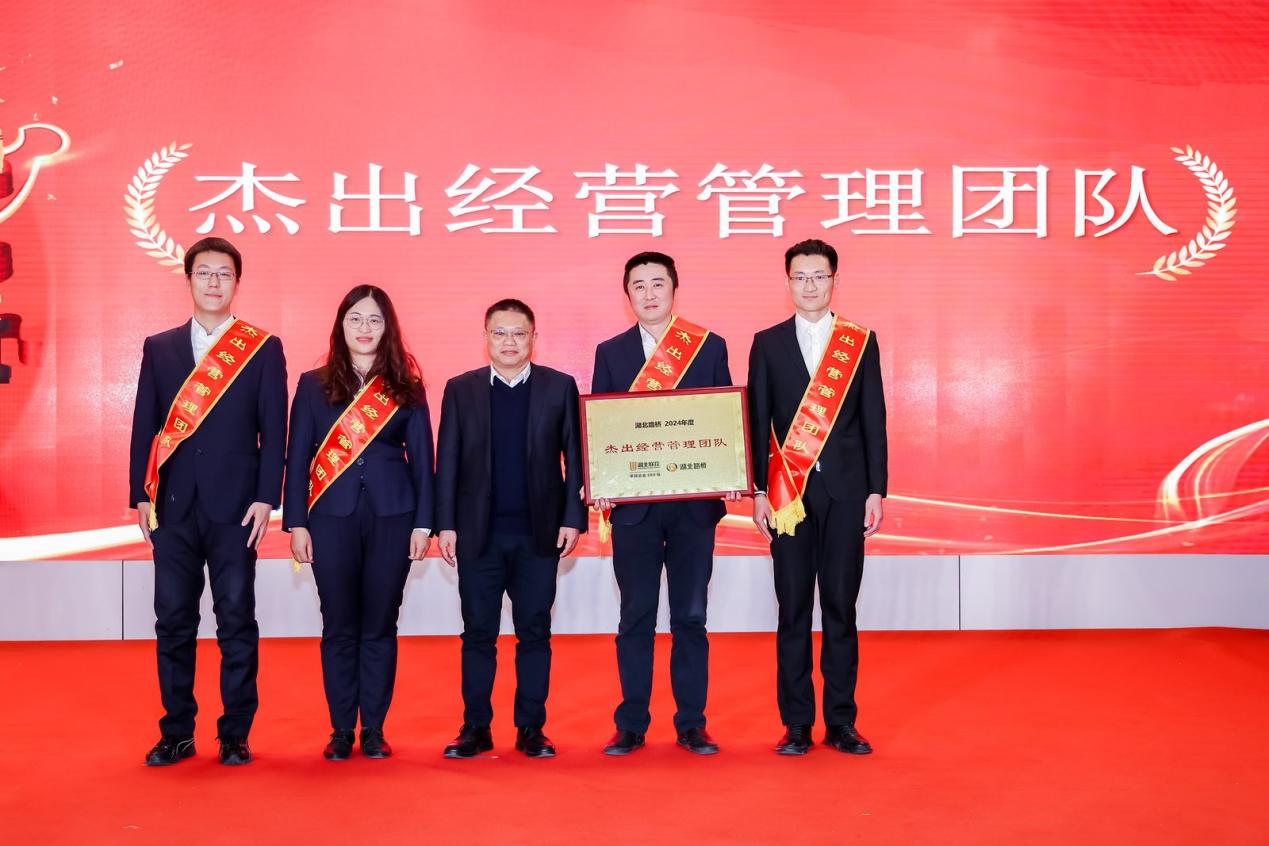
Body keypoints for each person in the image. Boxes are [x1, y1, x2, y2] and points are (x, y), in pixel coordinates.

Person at [128, 236, 287, 766]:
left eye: (224, 273)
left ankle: (235, 733)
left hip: (236, 509)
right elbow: (145, 425)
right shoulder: (160, 347)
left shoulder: (262, 348)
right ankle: (176, 732)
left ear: (237, 282)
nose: (214, 282)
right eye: (204, 273)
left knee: (236, 619)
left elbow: (274, 431)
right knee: (173, 620)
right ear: (189, 279)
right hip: (171, 506)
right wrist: (139, 495)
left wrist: (267, 497)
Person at [592, 251, 737, 756]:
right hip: (634, 511)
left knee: (690, 618)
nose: (649, 294)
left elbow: (722, 418)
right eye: (639, 285)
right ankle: (631, 724)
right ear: (627, 295)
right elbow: (601, 430)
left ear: (675, 289)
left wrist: (732, 469)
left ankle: (692, 723)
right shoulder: (610, 353)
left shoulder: (709, 346)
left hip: (694, 509)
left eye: (658, 284)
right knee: (635, 616)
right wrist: (600, 479)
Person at [748, 238, 887, 756]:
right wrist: (758, 491)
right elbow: (756, 421)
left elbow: (874, 418)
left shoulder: (860, 341)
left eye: (819, 276)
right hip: (788, 495)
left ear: (834, 280)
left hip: (847, 493)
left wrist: (876, 489)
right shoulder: (767, 343)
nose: (809, 285)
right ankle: (797, 723)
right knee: (792, 609)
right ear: (787, 282)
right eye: (800, 277)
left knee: (840, 608)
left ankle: (842, 721)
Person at [284, 285, 434, 760]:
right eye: (355, 319)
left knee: (380, 623)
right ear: (341, 325)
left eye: (374, 320)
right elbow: (298, 456)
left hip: (394, 515)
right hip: (330, 516)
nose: (364, 328)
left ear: (387, 327)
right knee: (338, 624)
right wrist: (297, 523)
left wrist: (424, 523)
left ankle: (373, 728)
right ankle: (340, 730)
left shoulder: (406, 385)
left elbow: (423, 460)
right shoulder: (313, 384)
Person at [435, 298, 586, 759]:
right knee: (477, 633)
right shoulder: (460, 389)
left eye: (519, 333)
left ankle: (531, 728)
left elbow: (575, 458)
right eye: (499, 333)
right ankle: (475, 728)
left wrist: (573, 518)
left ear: (534, 338)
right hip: (477, 534)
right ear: (485, 337)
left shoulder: (559, 387)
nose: (509, 342)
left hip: (539, 534)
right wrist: (445, 524)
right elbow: (448, 461)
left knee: (534, 633)